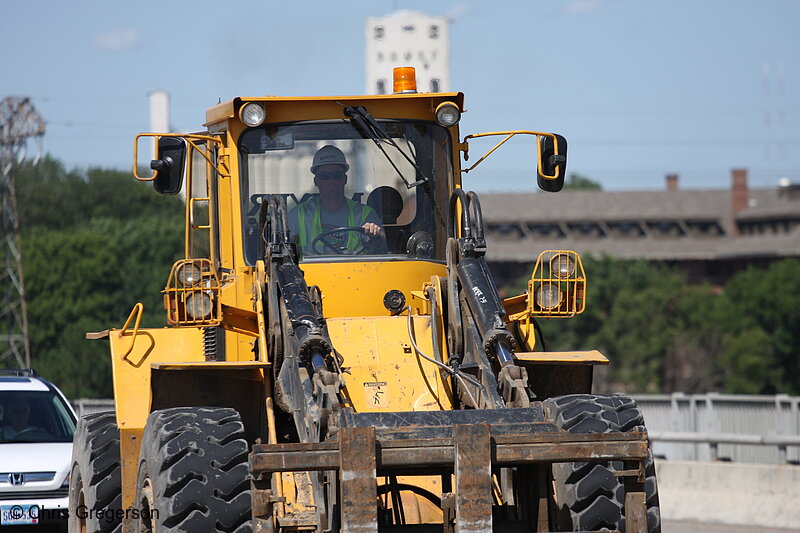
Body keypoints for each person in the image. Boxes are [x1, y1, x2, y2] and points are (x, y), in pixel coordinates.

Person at [288, 145, 386, 255]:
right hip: (309, 272)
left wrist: (376, 233)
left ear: (345, 179)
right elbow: (285, 249)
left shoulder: (365, 214)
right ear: (316, 181)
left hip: (356, 271)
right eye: (325, 176)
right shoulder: (298, 215)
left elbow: (382, 247)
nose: (331, 181)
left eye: (336, 175)